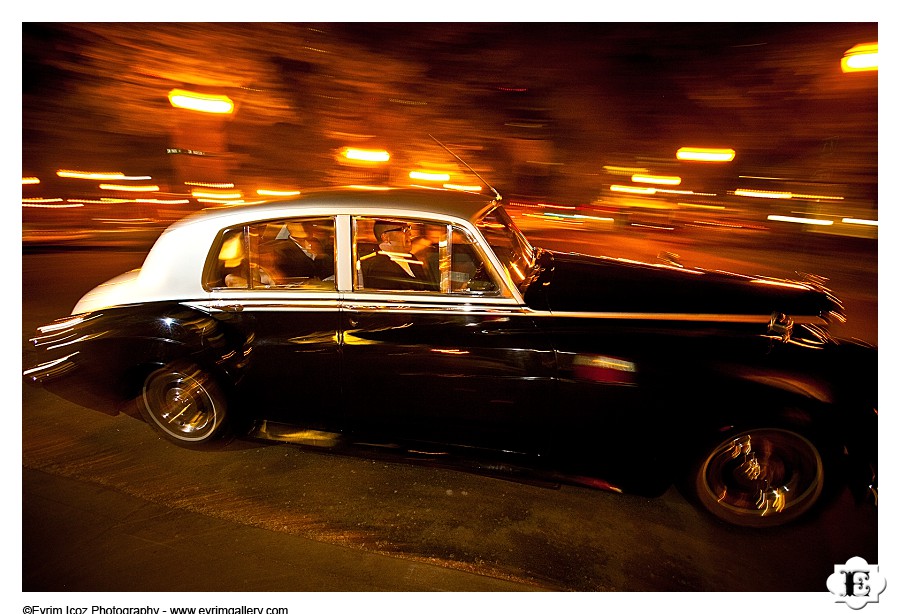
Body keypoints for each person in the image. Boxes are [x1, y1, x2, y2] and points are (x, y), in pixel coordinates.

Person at [359, 221, 434, 290]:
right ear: (386, 238)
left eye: (409, 229)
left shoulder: (412, 259)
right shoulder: (379, 267)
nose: (410, 234)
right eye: (403, 230)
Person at [269, 221, 334, 281]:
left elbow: (329, 270)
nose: (306, 227)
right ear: (289, 227)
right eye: (300, 224)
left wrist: (320, 254)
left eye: (308, 223)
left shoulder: (317, 242)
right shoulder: (282, 250)